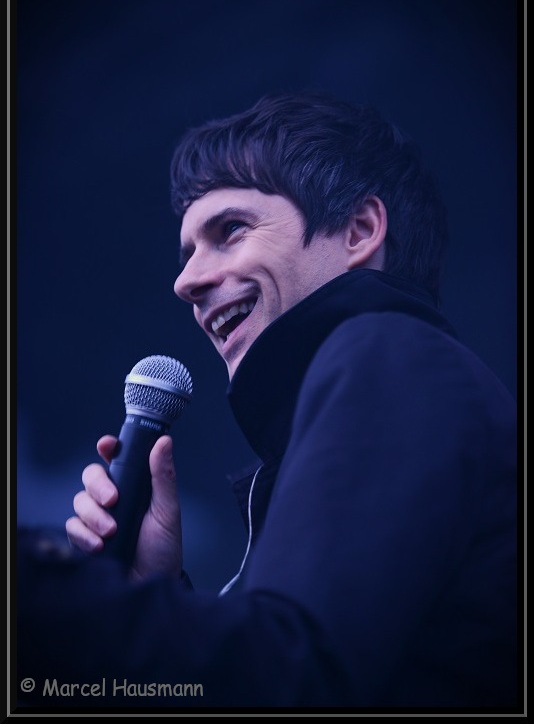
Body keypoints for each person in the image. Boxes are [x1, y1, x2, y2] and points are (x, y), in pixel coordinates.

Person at [17, 91, 518, 709]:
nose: (185, 282)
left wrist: (38, 590)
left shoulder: (392, 353)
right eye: (187, 254)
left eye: (230, 230)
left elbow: (293, 678)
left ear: (360, 231)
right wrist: (158, 591)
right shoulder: (396, 387)